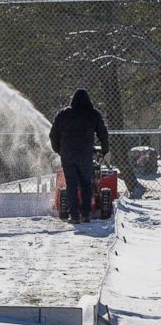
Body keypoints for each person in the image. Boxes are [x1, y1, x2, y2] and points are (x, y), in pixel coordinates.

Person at [49, 89, 109, 224]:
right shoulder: (93, 114)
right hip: (85, 154)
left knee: (71, 184)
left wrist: (58, 149)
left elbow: (53, 135)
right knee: (86, 184)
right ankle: (86, 214)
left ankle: (74, 216)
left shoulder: (63, 114)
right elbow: (103, 134)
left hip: (67, 154)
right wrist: (104, 150)